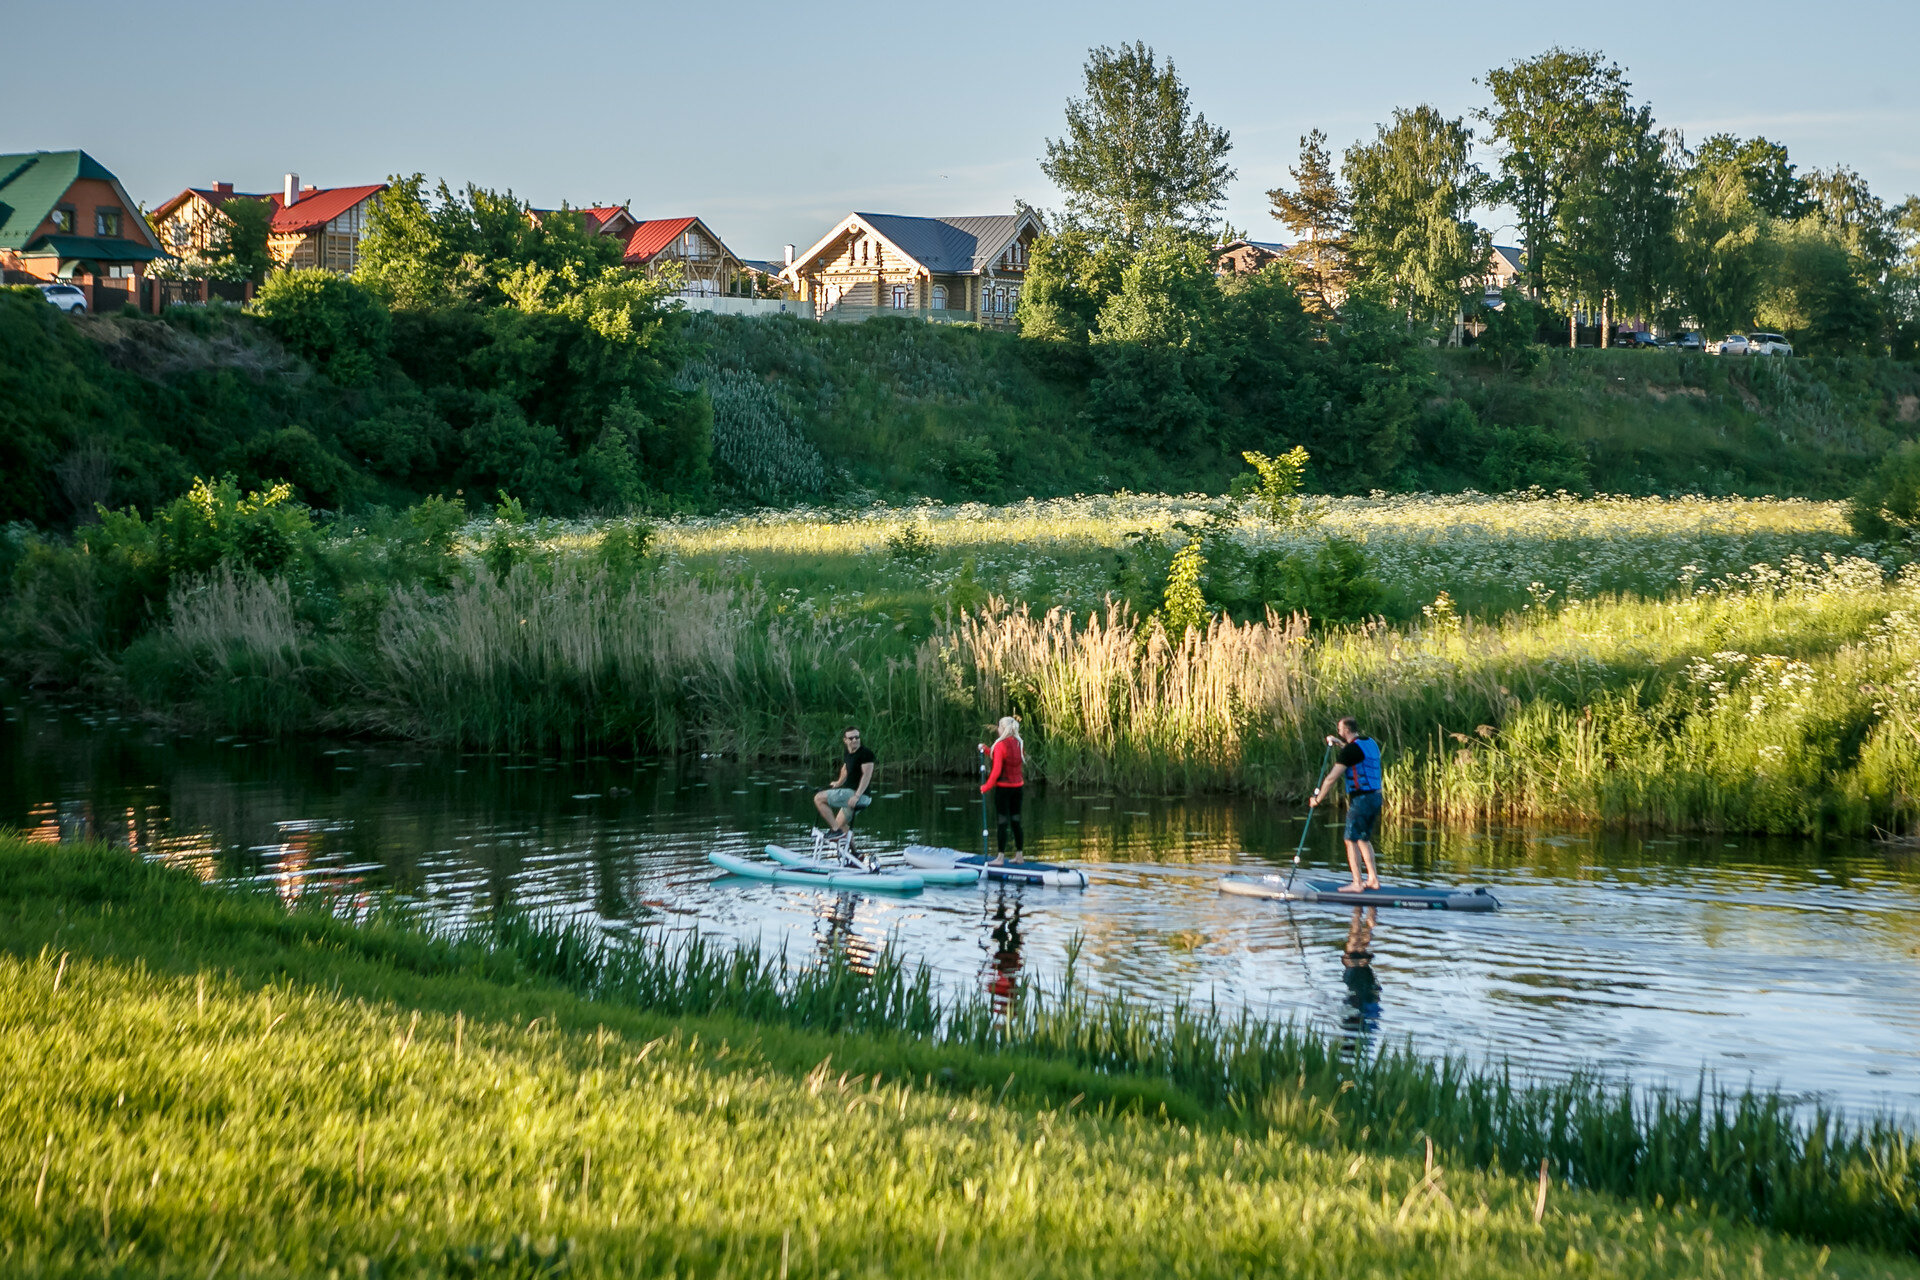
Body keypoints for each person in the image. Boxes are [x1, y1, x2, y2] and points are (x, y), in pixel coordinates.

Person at [1308, 715, 1383, 893]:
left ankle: (1357, 883)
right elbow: (1354, 753)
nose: (1338, 731)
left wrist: (1317, 800)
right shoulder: (1369, 742)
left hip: (1361, 800)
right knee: (1363, 839)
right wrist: (1338, 743)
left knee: (1350, 840)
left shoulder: (1350, 751)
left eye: (1340, 729)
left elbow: (1332, 778)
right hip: (1376, 797)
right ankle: (1373, 879)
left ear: (1347, 730)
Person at [813, 726, 875, 837]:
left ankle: (836, 832)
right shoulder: (848, 752)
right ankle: (854, 853)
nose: (855, 740)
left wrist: (856, 795)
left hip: (859, 795)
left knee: (818, 798)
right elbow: (845, 769)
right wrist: (838, 783)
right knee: (840, 824)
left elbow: (867, 775)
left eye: (857, 737)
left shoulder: (866, 753)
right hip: (851, 793)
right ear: (845, 740)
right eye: (851, 738)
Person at [979, 715, 1025, 864]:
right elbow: (1003, 759)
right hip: (1018, 788)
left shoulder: (1000, 745)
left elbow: (997, 771)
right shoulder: (1019, 744)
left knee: (1002, 822)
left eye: (999, 727)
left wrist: (986, 787)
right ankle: (1019, 855)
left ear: (1003, 729)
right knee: (1016, 821)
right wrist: (986, 749)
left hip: (1004, 790)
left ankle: (1000, 857)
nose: (997, 729)